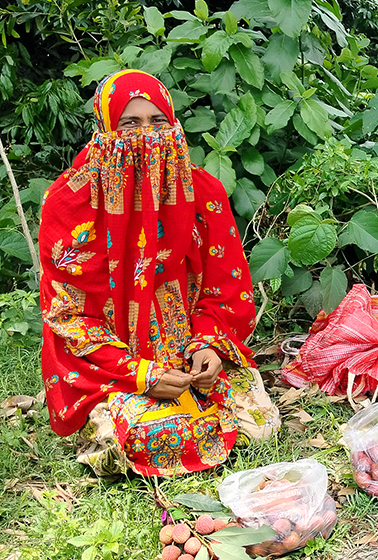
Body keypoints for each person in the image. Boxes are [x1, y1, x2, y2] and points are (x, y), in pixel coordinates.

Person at [39, 69, 280, 477]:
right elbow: (68, 318)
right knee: (129, 437)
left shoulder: (203, 192)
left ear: (175, 126)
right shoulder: (70, 203)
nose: (147, 136)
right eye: (130, 124)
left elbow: (226, 289)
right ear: (105, 130)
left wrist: (208, 347)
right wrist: (141, 375)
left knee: (258, 423)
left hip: (187, 356)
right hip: (113, 370)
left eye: (158, 123)